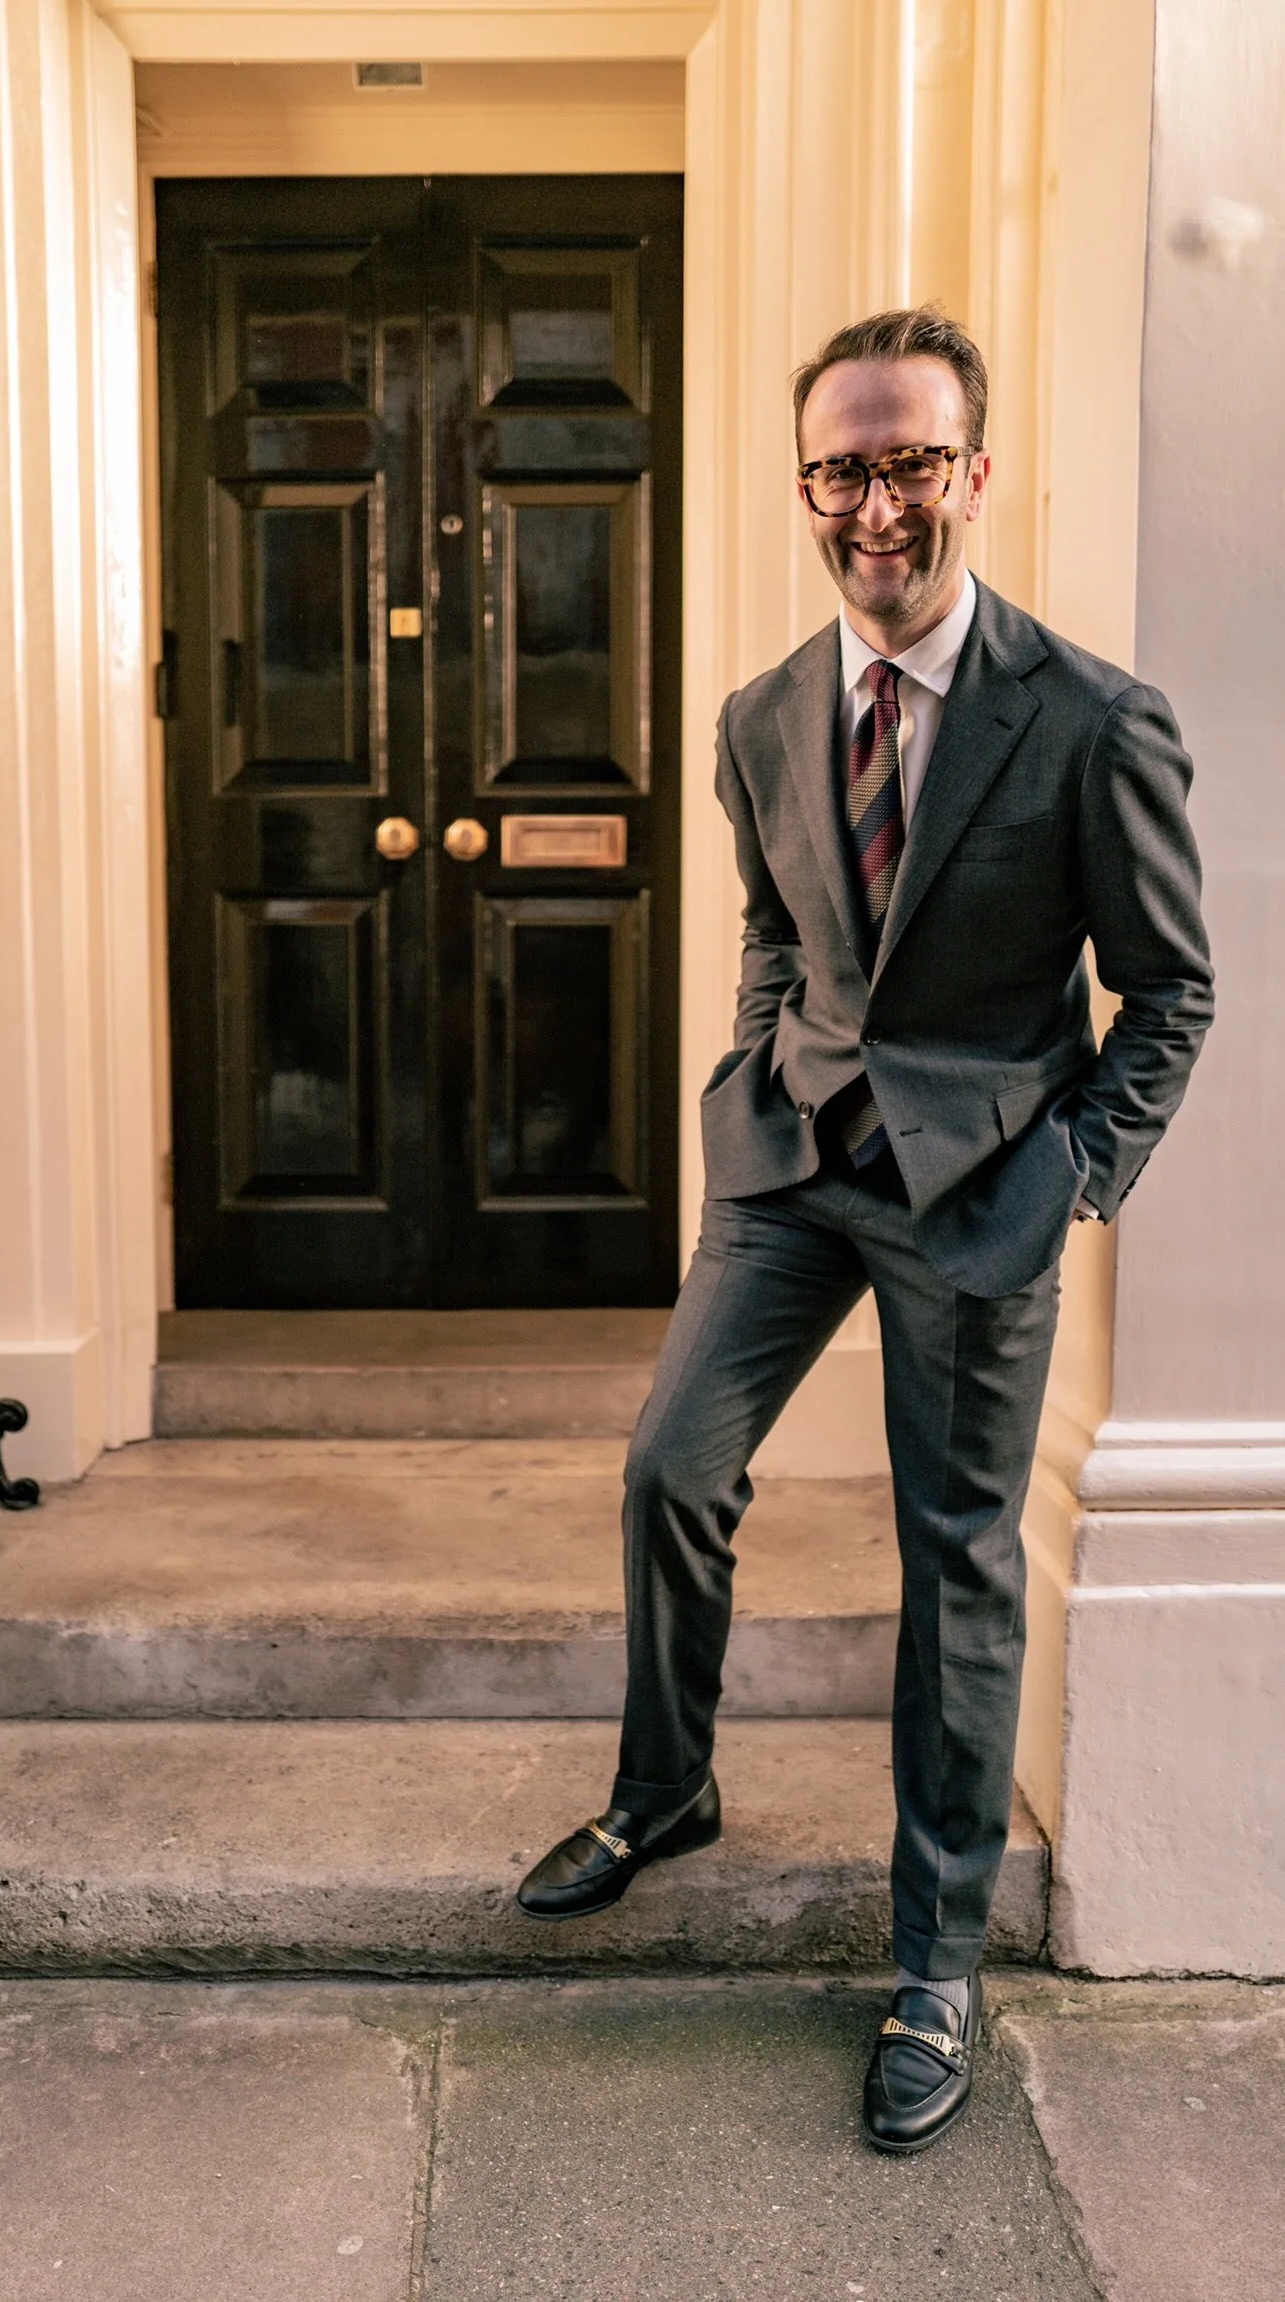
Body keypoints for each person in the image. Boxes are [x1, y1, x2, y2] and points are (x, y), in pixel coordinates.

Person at [515, 306, 1214, 2153]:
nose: (878, 504)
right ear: (807, 484)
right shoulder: (760, 715)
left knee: (956, 1563)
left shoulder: (1093, 718)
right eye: (845, 468)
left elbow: (1171, 991)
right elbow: (777, 924)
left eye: (912, 462)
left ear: (975, 472)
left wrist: (1071, 1176)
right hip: (796, 1161)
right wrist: (751, 1071)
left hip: (984, 1189)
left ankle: (935, 1966)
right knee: (671, 1466)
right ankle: (667, 1786)